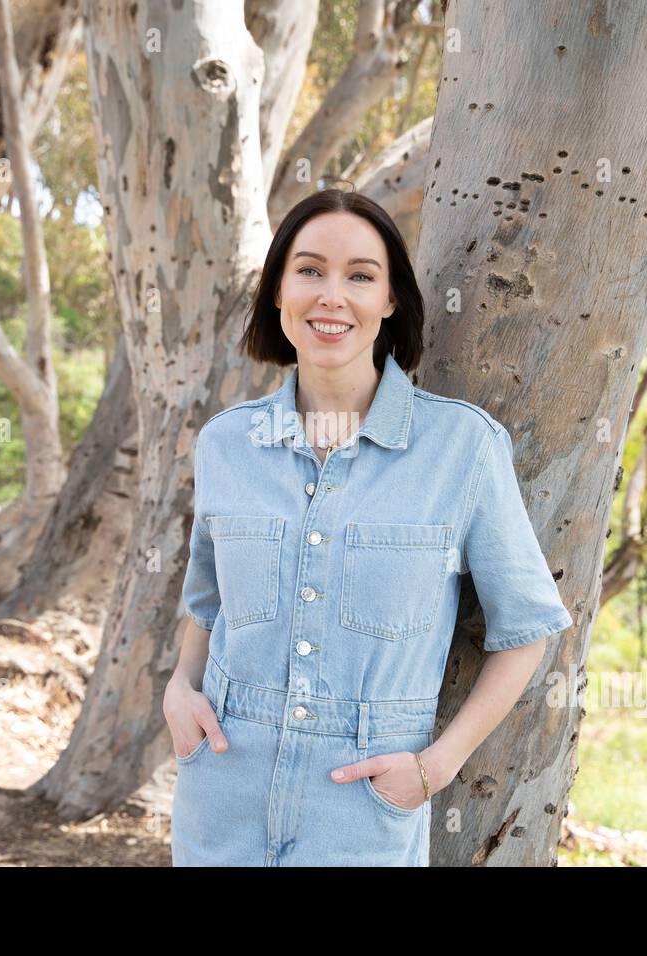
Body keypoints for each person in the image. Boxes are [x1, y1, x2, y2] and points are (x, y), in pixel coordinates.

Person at [164, 186, 574, 866]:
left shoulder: (460, 448)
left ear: (390, 301)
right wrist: (181, 688)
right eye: (310, 270)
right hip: (220, 789)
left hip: (363, 812)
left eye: (360, 276)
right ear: (277, 292)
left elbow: (527, 631)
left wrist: (434, 768)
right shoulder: (227, 444)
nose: (332, 295)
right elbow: (204, 603)